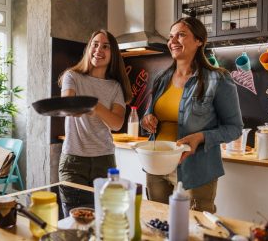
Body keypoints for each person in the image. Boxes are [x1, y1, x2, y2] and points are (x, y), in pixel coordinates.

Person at [141, 17, 243, 212]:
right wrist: (147, 118)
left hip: (196, 170)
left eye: (181, 35)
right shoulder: (161, 79)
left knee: (194, 228)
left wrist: (201, 137)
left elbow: (235, 128)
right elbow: (149, 114)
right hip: (156, 166)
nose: (173, 41)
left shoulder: (218, 79)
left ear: (199, 41)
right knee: (158, 225)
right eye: (170, 37)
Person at [58, 29, 132, 186]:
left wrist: (95, 106)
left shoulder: (115, 87)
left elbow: (117, 123)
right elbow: (67, 107)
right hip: (73, 160)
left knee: (103, 211)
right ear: (88, 48)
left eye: (105, 46)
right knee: (74, 210)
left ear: (113, 54)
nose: (99, 50)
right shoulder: (72, 76)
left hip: (104, 160)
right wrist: (77, 107)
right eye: (95, 44)